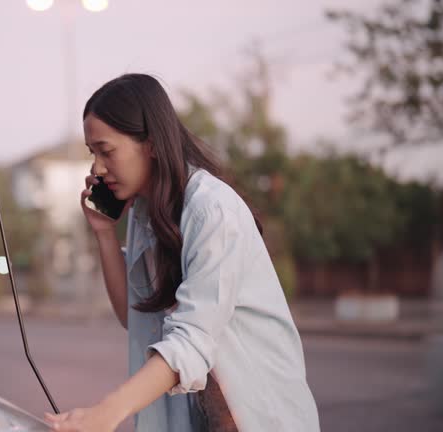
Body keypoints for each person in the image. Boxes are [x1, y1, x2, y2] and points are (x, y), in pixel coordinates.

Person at [45, 74, 319, 432]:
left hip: (259, 415)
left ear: (152, 143)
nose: (96, 168)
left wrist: (105, 414)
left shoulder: (211, 210)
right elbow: (135, 314)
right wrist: (105, 235)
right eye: (92, 153)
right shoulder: (148, 216)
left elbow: (191, 338)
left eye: (106, 150)